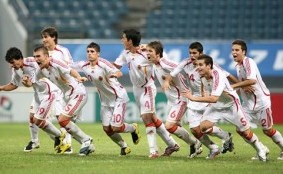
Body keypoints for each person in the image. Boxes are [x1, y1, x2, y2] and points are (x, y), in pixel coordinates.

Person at [182, 54, 268, 161]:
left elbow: (214, 98)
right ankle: (226, 137)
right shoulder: (202, 75)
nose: (197, 67)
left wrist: (193, 98)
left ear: (209, 66)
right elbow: (205, 89)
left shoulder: (218, 75)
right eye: (197, 65)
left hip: (231, 105)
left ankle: (261, 149)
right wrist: (203, 94)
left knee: (245, 132)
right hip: (216, 106)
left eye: (201, 65)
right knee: (203, 127)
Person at [113, 29, 179, 158]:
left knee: (146, 118)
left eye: (124, 38)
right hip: (136, 89)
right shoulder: (125, 54)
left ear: (130, 41)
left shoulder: (145, 53)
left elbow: (160, 57)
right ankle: (172, 144)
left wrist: (168, 78)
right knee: (153, 118)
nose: (122, 40)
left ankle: (153, 151)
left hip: (147, 88)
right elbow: (115, 66)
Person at [71, 42, 141, 155]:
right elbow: (69, 66)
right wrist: (79, 77)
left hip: (119, 97)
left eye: (92, 51)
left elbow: (118, 72)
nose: (89, 54)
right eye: (88, 51)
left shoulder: (103, 64)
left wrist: (114, 75)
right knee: (107, 129)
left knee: (116, 127)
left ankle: (133, 128)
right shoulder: (84, 65)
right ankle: (124, 147)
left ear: (98, 53)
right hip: (105, 101)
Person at [0, 47, 67, 153]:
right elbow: (14, 84)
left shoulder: (33, 62)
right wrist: (2, 88)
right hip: (38, 93)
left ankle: (60, 137)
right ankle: (35, 141)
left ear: (20, 59)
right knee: (32, 118)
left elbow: (30, 82)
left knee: (40, 120)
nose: (11, 65)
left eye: (12, 62)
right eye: (10, 63)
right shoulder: (16, 69)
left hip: (49, 92)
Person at [163, 42, 224, 159]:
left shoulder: (210, 65)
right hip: (193, 98)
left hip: (207, 98)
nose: (192, 55)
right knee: (195, 130)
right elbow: (173, 73)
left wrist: (236, 85)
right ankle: (214, 148)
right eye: (190, 53)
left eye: (194, 53)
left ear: (201, 53)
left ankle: (226, 136)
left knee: (205, 128)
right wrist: (167, 80)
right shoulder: (186, 63)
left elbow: (224, 75)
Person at [33, 45, 95, 156]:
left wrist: (78, 78)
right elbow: (32, 81)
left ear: (47, 56)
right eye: (34, 57)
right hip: (67, 97)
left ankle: (86, 140)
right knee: (66, 123)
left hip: (78, 93)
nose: (36, 59)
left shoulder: (56, 63)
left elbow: (71, 70)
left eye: (38, 56)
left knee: (63, 120)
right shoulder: (40, 70)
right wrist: (25, 81)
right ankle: (87, 145)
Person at [146, 41, 203, 157]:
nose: (147, 54)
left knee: (169, 126)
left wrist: (171, 78)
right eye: (147, 51)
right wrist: (143, 47)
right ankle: (189, 145)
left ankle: (196, 143)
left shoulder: (165, 63)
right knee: (174, 127)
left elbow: (180, 67)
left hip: (180, 99)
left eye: (150, 51)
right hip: (171, 100)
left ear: (158, 54)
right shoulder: (155, 63)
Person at [24, 26, 75, 153]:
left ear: (54, 37)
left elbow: (69, 67)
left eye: (46, 37)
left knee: (61, 118)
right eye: (42, 37)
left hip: (58, 91)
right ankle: (45, 140)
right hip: (42, 90)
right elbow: (31, 64)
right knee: (35, 117)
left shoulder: (62, 51)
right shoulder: (41, 53)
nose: (43, 40)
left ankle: (67, 144)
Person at [231, 39, 283, 160]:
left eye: (237, 50)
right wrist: (237, 90)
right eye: (233, 50)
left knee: (268, 130)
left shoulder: (248, 62)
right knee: (240, 129)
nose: (234, 52)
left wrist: (233, 86)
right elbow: (245, 83)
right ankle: (261, 149)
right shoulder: (238, 66)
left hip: (261, 102)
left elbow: (252, 80)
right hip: (248, 105)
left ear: (243, 51)